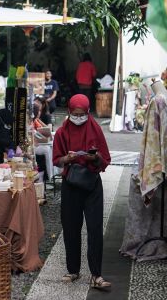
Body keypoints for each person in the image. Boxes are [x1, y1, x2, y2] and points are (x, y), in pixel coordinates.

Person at [53, 94, 112, 289]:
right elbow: (56, 159)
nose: (78, 118)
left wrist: (93, 158)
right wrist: (68, 159)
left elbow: (105, 160)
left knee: (95, 229)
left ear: (88, 113)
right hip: (71, 184)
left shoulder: (95, 129)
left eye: (82, 114)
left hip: (92, 184)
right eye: (75, 114)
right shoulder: (62, 132)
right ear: (69, 112)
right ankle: (73, 270)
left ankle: (96, 274)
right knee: (70, 227)